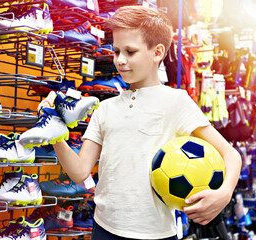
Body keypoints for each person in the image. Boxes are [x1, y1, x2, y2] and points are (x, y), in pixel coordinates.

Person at [38, 5, 241, 240]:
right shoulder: (104, 108)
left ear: (157, 53)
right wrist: (56, 131)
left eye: (130, 52)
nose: (120, 60)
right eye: (115, 51)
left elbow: (231, 155)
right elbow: (79, 172)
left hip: (157, 234)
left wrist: (224, 194)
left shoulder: (176, 101)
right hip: (104, 229)